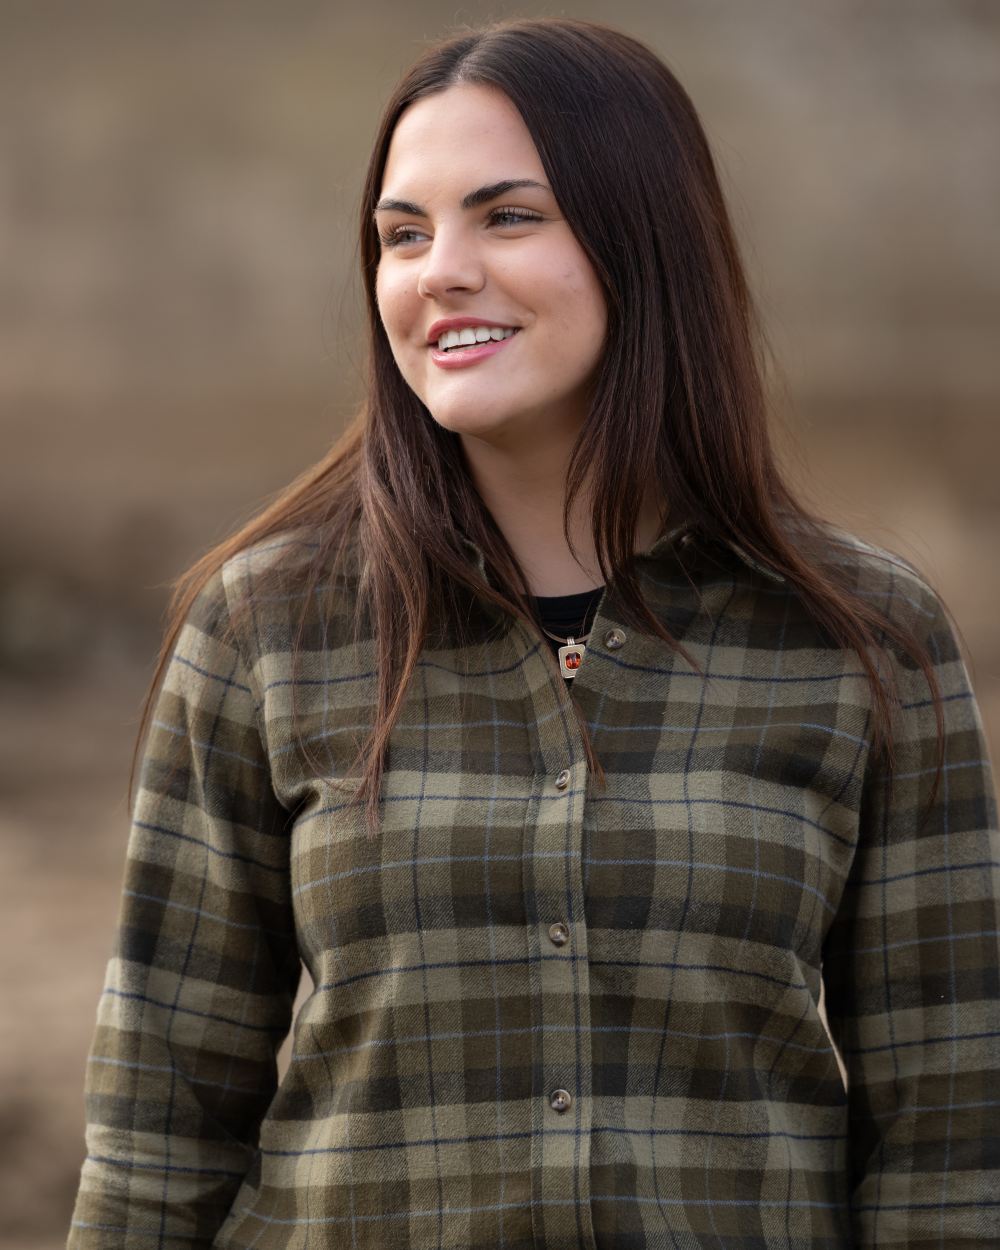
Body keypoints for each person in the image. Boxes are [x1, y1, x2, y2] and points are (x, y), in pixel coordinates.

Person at [67, 16, 999, 1249]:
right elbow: (158, 1124)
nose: (437, 269)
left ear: (644, 245)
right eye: (403, 234)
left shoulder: (862, 632)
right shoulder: (265, 624)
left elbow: (951, 1134)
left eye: (508, 216)